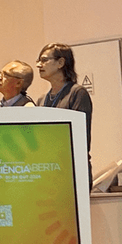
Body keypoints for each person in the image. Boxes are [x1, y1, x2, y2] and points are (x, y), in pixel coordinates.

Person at [36, 42, 92, 186]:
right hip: (47, 171)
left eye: (44, 60)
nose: (38, 65)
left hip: (72, 172)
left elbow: (80, 137)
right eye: (38, 61)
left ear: (61, 62)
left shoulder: (77, 93)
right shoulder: (42, 100)